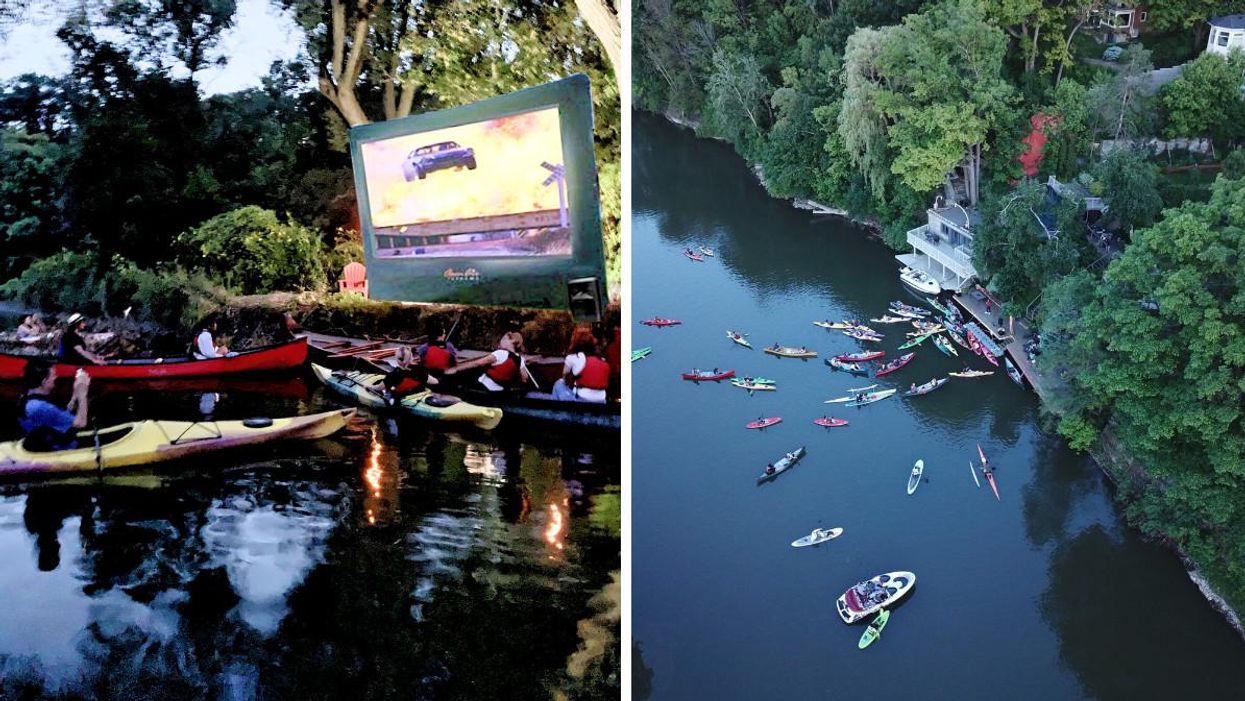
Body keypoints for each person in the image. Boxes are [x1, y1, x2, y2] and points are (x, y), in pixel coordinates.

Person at [18, 360, 91, 451]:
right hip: (65, 450)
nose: (56, 377)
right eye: (53, 375)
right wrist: (83, 394)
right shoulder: (39, 407)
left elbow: (62, 414)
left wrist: (75, 395)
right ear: (44, 381)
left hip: (57, 438)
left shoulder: (30, 396)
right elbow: (81, 423)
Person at [445, 330, 531, 392]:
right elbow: (524, 378)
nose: (501, 341)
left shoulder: (500, 353)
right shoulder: (520, 359)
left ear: (511, 341)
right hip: (501, 389)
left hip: (485, 386)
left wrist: (456, 368)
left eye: (503, 339)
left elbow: (477, 363)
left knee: (464, 377)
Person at [551, 325, 608, 404]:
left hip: (582, 400)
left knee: (558, 383)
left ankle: (557, 412)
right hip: (601, 400)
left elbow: (564, 378)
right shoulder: (602, 359)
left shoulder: (572, 357)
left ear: (574, 342)